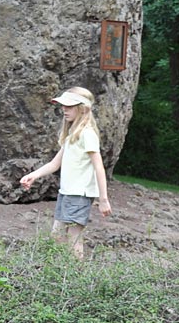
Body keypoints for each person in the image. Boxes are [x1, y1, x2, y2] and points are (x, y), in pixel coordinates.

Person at [19, 86, 112, 260]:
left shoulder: (87, 134)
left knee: (73, 239)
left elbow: (99, 167)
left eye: (69, 106)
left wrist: (103, 199)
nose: (64, 110)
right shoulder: (71, 136)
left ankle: (75, 276)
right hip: (66, 193)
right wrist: (34, 175)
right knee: (57, 235)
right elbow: (55, 163)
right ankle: (63, 271)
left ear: (83, 108)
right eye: (63, 106)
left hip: (79, 195)